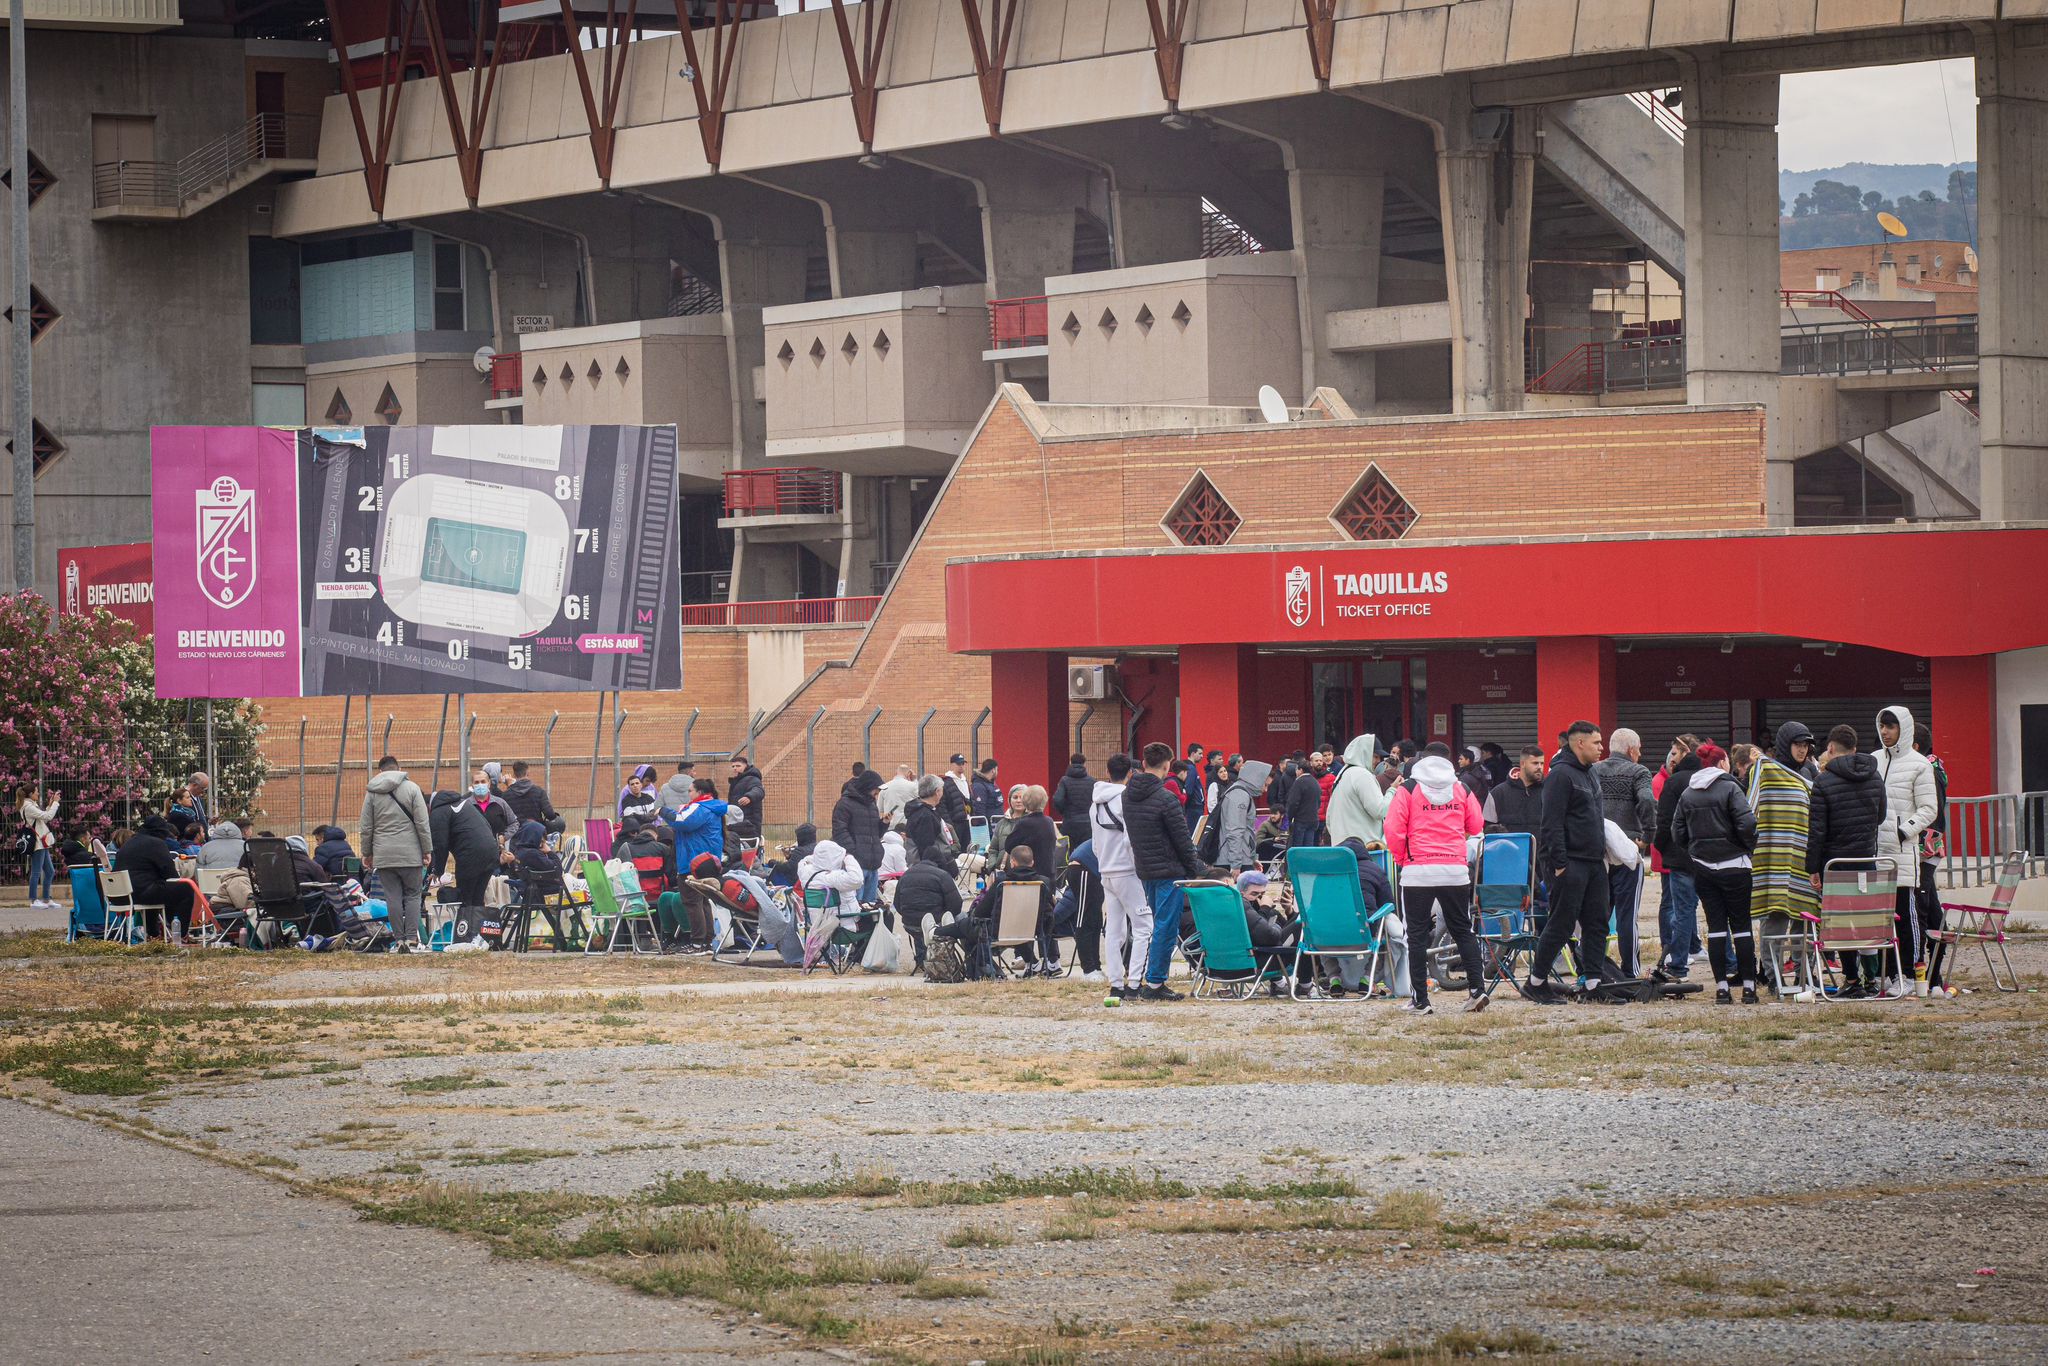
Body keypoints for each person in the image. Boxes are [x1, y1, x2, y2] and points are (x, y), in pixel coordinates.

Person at [1384, 742, 1489, 1015]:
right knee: (1462, 929)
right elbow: (1476, 825)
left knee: (1416, 934)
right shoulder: (1461, 788)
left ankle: (1420, 999)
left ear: (1421, 759)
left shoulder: (1408, 789)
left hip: (1417, 871)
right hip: (1455, 870)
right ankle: (1477, 990)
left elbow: (1393, 829)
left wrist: (1401, 858)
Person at [1526, 721, 1618, 1003]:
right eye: (1597, 743)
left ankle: (1592, 985)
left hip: (1593, 861)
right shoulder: (1561, 775)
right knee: (1562, 924)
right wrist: (1560, 863)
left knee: (1597, 923)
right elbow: (1551, 823)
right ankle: (1536, 982)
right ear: (1579, 744)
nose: (1602, 748)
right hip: (1570, 862)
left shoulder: (1590, 774)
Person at [1672, 743, 1760, 1004]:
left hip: (1703, 868)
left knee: (1716, 928)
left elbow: (1677, 832)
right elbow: (1747, 823)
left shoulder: (1688, 793)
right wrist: (1746, 847)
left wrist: (1695, 850)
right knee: (1742, 927)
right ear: (1722, 763)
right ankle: (1748, 988)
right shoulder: (1731, 787)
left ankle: (1721, 989)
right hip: (1736, 866)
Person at [1806, 724, 1888, 997]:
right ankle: (1871, 981)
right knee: (1867, 920)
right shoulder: (1875, 775)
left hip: (1835, 864)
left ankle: (1851, 980)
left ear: (1830, 748)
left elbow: (1817, 830)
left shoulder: (1823, 781)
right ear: (1855, 748)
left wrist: (1813, 868)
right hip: (1867, 860)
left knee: (1842, 922)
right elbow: (1881, 816)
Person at [1747, 722, 1819, 995]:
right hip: (1772, 859)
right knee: (1775, 919)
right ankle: (1773, 976)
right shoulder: (1765, 770)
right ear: (1785, 744)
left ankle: (1805, 975)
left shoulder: (1809, 773)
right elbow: (1749, 807)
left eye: (1806, 745)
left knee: (1805, 918)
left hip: (1803, 861)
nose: (1802, 750)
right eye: (1797, 744)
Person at [1130, 742, 1204, 1001]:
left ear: (1143, 764)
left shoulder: (1128, 796)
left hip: (1145, 869)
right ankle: (1155, 982)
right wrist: (1195, 869)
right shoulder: (1166, 798)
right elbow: (1182, 840)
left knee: (1156, 924)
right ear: (1167, 765)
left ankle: (1147, 976)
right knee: (1166, 926)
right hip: (1169, 870)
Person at [1874, 706, 1938, 996]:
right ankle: (1885, 974)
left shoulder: (1919, 764)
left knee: (1907, 914)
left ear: (1904, 728)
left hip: (1903, 854)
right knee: (1879, 918)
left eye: (1891, 726)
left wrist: (1904, 830)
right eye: (1883, 726)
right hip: (1874, 855)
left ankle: (1912, 973)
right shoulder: (1873, 760)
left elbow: (1929, 809)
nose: (1886, 731)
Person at [1590, 727, 1656, 978]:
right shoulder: (1638, 771)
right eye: (1639, 749)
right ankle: (1630, 971)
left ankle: (1595, 968)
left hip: (1597, 851)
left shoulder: (1593, 770)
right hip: (1628, 851)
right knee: (1627, 916)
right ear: (1631, 750)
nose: (1640, 753)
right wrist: (1647, 836)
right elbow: (1648, 800)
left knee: (1598, 915)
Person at [1091, 752, 1148, 1007]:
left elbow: (1094, 843)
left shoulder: (1095, 803)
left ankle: (1116, 983)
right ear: (1131, 773)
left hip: (1106, 870)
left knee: (1114, 929)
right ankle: (1135, 983)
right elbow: (1130, 840)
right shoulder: (1126, 801)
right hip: (1127, 870)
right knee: (1144, 926)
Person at [361, 757, 432, 950]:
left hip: (384, 855)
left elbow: (366, 827)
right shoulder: (412, 789)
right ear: (399, 769)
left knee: (392, 897)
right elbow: (422, 824)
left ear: (380, 771)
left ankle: (398, 939)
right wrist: (427, 850)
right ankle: (411, 938)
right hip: (411, 854)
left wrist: (366, 853)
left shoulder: (372, 793)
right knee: (412, 895)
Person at [1651, 735, 1704, 982]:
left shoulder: (1672, 783)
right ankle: (1729, 962)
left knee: (1680, 911)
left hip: (1679, 858)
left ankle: (1678, 963)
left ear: (1684, 754)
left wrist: (1664, 848)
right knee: (1716, 913)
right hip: (1708, 857)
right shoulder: (1711, 780)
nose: (1670, 757)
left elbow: (1662, 823)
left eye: (1674, 753)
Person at [114, 814, 197, 943]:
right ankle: (181, 934)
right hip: (139, 894)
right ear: (160, 832)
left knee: (154, 887)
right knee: (185, 889)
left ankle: (153, 934)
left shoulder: (129, 842)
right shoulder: (156, 843)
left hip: (119, 895)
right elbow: (171, 875)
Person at [429, 786, 500, 919]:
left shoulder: (439, 811)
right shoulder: (463, 803)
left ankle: (465, 933)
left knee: (465, 899)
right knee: (478, 898)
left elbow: (440, 844)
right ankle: (479, 933)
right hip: (491, 851)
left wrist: (437, 870)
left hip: (470, 854)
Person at [893, 844, 961, 969]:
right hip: (936, 923)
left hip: (910, 924)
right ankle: (942, 958)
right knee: (959, 918)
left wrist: (910, 915)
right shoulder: (942, 875)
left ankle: (922, 959)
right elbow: (956, 905)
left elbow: (897, 903)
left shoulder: (906, 875)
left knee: (920, 928)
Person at [831, 767, 887, 904]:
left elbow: (875, 833)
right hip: (857, 866)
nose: (878, 793)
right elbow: (839, 832)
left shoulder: (872, 805)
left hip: (873, 865)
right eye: (876, 789)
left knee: (870, 907)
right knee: (855, 906)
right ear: (868, 787)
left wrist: (884, 823)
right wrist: (854, 853)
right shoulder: (845, 804)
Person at [1325, 734, 1389, 848]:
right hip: (1365, 850)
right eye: (1375, 756)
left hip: (1341, 849)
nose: (1378, 761)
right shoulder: (1363, 775)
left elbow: (1329, 819)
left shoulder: (1342, 774)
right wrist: (1393, 791)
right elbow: (1379, 811)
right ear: (1363, 754)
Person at [1059, 838, 1107, 981]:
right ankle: (1088, 969)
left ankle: (1096, 966)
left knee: (1096, 919)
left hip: (1092, 868)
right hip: (1083, 868)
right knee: (1085, 918)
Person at [1214, 759, 1272, 871]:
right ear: (1256, 779)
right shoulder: (1239, 795)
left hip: (1235, 857)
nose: (1265, 789)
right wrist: (1236, 864)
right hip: (1234, 860)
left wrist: (1252, 858)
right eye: (1265, 784)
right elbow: (1235, 831)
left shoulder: (1239, 792)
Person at [1481, 748, 1545, 838]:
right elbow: (1488, 830)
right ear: (1523, 764)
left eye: (1542, 763)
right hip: (1509, 850)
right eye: (1535, 763)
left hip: (1541, 851)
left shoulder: (1549, 791)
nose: (1539, 767)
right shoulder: (1498, 793)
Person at [671, 778, 730, 875]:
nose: (688, 794)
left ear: (699, 792)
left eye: (690, 791)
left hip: (698, 865)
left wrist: (664, 812)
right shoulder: (711, 806)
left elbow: (683, 822)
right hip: (709, 863)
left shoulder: (701, 808)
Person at [16, 786, 59, 909]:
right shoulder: (28, 806)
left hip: (41, 842)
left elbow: (42, 818)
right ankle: (34, 900)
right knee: (36, 872)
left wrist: (50, 806)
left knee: (50, 872)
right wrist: (55, 803)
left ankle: (47, 899)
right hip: (37, 844)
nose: (38, 793)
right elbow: (48, 817)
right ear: (30, 794)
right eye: (36, 792)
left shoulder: (31, 804)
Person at [1049, 753, 1094, 855]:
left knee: (1067, 853)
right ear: (1084, 764)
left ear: (1071, 762)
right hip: (1087, 824)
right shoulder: (1091, 781)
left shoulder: (1065, 781)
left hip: (1070, 822)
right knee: (1086, 853)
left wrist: (1064, 811)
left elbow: (1057, 799)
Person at [904, 774, 954, 859]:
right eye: (942, 790)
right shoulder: (925, 815)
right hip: (929, 866)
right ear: (937, 792)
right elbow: (928, 849)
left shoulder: (920, 810)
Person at [1284, 749, 1324, 850]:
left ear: (1300, 770)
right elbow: (1319, 802)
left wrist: (1290, 817)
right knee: (1308, 848)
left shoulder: (1299, 782)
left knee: (1298, 849)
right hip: (1313, 819)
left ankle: (1298, 866)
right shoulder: (1315, 782)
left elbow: (1293, 802)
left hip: (1301, 820)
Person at [502, 760, 561, 829]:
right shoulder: (539, 791)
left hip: (516, 834)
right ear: (527, 773)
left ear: (514, 775)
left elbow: (504, 818)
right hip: (536, 832)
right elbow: (549, 814)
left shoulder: (506, 795)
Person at [726, 756, 765, 840]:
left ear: (745, 766)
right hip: (739, 822)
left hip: (749, 823)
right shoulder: (737, 781)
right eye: (733, 766)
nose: (735, 768)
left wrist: (749, 797)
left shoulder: (752, 778)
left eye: (738, 766)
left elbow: (759, 790)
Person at [940, 756, 973, 848]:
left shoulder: (965, 781)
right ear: (952, 765)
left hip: (967, 820)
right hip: (955, 823)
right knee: (956, 849)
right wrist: (949, 824)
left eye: (963, 763)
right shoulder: (946, 782)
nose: (961, 766)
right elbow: (942, 805)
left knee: (967, 848)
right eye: (958, 764)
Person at [878, 764, 919, 829]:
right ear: (909, 774)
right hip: (906, 826)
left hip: (889, 826)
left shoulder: (885, 786)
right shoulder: (913, 786)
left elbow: (880, 809)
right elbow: (921, 799)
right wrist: (914, 780)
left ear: (896, 772)